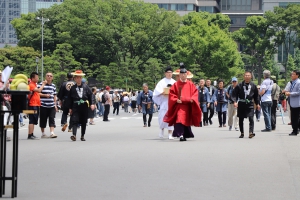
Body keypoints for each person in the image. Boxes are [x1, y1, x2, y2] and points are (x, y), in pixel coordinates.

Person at [163, 63, 201, 141]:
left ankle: (185, 134)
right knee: (180, 119)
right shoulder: (176, 85)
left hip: (188, 105)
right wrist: (176, 99)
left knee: (186, 120)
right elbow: (172, 94)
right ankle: (180, 135)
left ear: (187, 75)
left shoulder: (191, 84)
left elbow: (195, 93)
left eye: (184, 74)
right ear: (179, 75)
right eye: (182, 74)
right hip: (180, 105)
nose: (183, 75)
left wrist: (192, 99)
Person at [68, 70, 95, 141]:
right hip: (75, 106)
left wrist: (92, 103)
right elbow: (70, 98)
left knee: (83, 121)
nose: (78, 79)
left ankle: (82, 135)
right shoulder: (73, 88)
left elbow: (91, 95)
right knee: (74, 120)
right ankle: (74, 135)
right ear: (75, 79)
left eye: (80, 77)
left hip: (84, 106)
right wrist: (70, 108)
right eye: (77, 78)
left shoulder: (86, 87)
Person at [232, 71, 260, 139]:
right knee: (241, 119)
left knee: (251, 118)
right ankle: (242, 133)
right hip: (241, 103)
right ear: (244, 76)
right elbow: (234, 94)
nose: (247, 76)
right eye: (246, 75)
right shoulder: (239, 85)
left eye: (248, 75)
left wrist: (257, 104)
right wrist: (235, 102)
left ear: (251, 76)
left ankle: (251, 132)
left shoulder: (253, 85)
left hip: (250, 103)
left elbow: (256, 96)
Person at [153, 66, 176, 139]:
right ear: (165, 73)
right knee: (162, 117)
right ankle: (161, 130)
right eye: (168, 73)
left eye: (170, 73)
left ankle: (170, 133)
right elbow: (156, 92)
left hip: (172, 102)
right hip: (164, 102)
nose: (169, 74)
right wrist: (162, 92)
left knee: (171, 118)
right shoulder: (161, 82)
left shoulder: (174, 82)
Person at [38, 72, 58, 139]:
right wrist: (44, 95)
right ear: (45, 77)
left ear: (52, 78)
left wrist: (55, 104)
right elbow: (38, 93)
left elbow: (54, 95)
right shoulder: (41, 84)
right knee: (43, 119)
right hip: (43, 105)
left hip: (51, 105)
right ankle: (43, 133)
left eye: (51, 76)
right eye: (48, 76)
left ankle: (52, 133)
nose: (49, 77)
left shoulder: (53, 85)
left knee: (52, 119)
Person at [28, 72, 47, 140]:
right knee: (32, 120)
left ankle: (31, 134)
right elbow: (39, 90)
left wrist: (44, 95)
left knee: (33, 120)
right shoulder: (31, 85)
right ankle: (30, 134)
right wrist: (43, 84)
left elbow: (37, 93)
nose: (38, 78)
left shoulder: (34, 84)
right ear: (33, 78)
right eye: (37, 77)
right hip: (32, 104)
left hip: (35, 104)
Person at [282, 70, 300, 136]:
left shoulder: (298, 82)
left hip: (297, 103)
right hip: (292, 102)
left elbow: (299, 92)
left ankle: (295, 130)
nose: (292, 75)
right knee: (293, 117)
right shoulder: (292, 82)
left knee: (295, 117)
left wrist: (290, 93)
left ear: (297, 75)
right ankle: (295, 129)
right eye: (291, 74)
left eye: (293, 74)